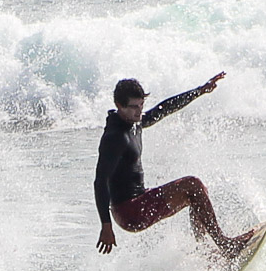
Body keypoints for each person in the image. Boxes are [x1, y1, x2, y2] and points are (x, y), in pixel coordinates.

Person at [93, 72, 253, 258]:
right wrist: (106, 225)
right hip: (130, 212)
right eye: (134, 107)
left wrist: (200, 91)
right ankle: (224, 245)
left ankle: (204, 253)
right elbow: (100, 181)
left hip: (139, 200)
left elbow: (164, 108)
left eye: (141, 105)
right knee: (192, 184)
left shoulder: (134, 122)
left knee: (196, 194)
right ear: (119, 105)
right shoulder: (114, 137)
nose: (139, 111)